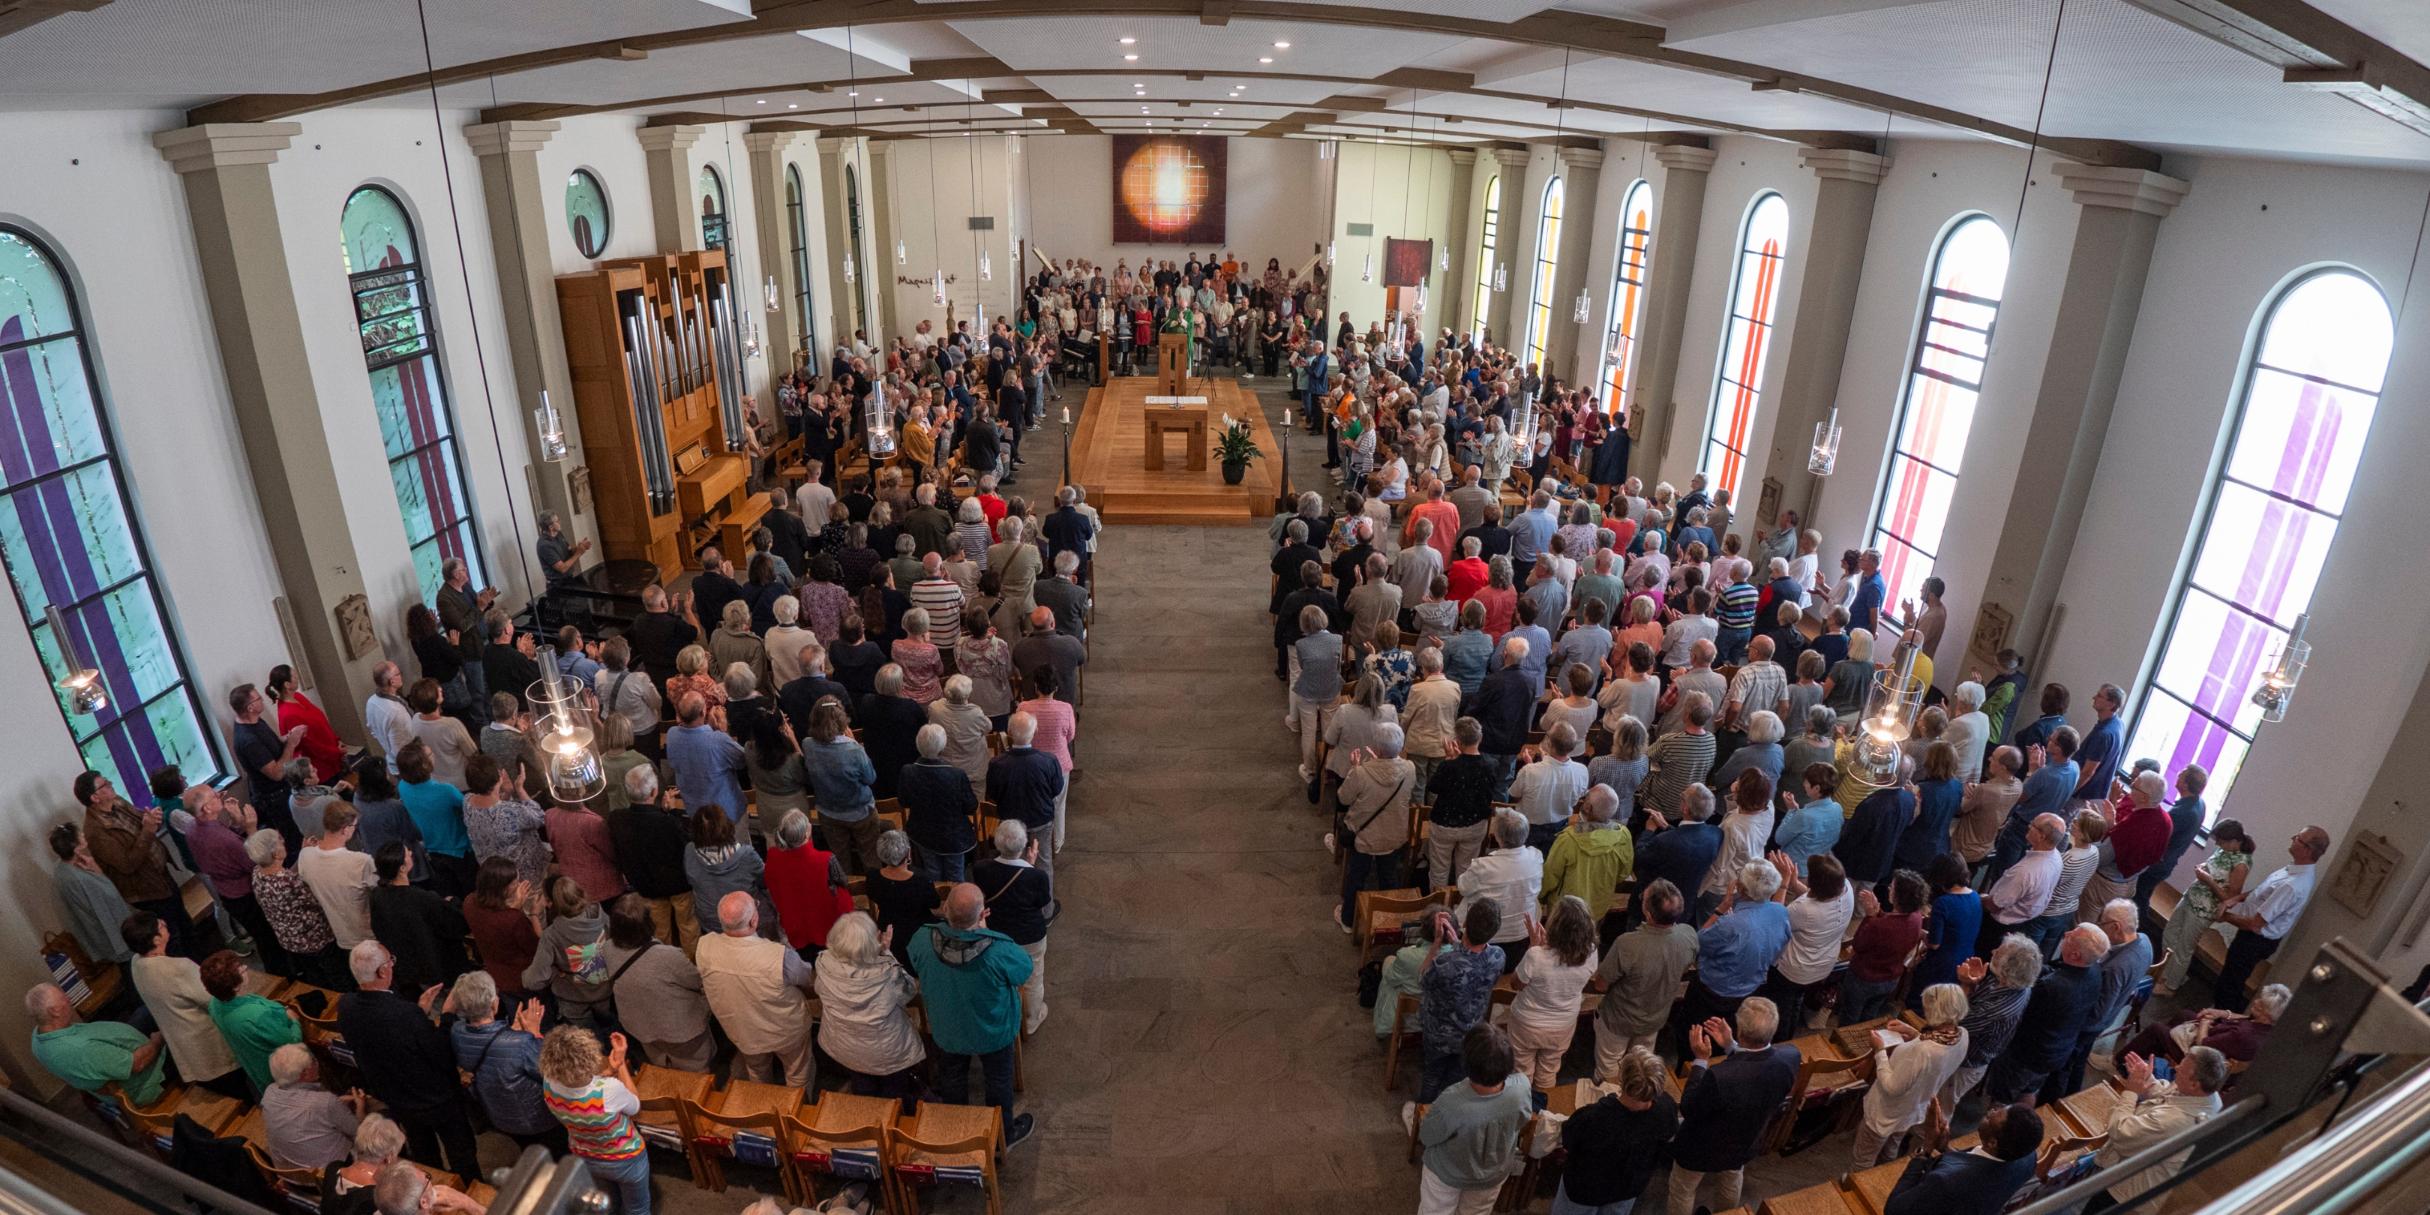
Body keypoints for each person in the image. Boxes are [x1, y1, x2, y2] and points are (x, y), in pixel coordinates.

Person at [336, 942, 480, 1179]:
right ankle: (470, 1187)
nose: (393, 965)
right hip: (436, 1097)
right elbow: (441, 1052)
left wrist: (419, 1014)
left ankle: (429, 1185)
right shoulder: (404, 1014)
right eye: (390, 961)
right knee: (461, 1152)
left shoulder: (347, 1006)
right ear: (383, 971)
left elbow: (387, 1040)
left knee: (424, 1153)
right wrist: (447, 1015)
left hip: (396, 1098)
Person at [908, 883, 1037, 1148]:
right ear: (982, 914)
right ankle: (1003, 1136)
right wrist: (982, 930)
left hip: (948, 1027)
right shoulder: (998, 948)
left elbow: (914, 961)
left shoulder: (923, 939)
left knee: (952, 1079)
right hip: (993, 1030)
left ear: (945, 909)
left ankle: (958, 1132)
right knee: (998, 1081)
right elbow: (1024, 970)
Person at [1667, 997, 1800, 1215]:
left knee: (1683, 1189)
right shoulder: (1790, 1057)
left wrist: (1700, 1060)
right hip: (1744, 1141)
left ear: (1740, 1030)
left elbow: (1689, 1108)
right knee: (1731, 1180)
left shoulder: (1720, 1076)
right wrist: (1731, 1046)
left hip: (1701, 1146)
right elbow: (1756, 1066)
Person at [123, 911, 248, 1099]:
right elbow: (213, 997)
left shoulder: (136, 963)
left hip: (185, 1049)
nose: (164, 922)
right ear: (156, 939)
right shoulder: (178, 968)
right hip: (209, 1047)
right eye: (161, 925)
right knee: (241, 1093)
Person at [695, 891, 815, 1086]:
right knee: (798, 1072)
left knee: (757, 1071)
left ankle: (761, 1101)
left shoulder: (704, 946)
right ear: (753, 921)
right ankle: (797, 1103)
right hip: (786, 1030)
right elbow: (806, 978)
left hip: (743, 1031)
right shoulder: (778, 955)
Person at [2088, 1046, 2230, 1211]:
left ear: (2194, 1084)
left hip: (2128, 1191)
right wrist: (2148, 1079)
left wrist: (2131, 1092)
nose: (2176, 1068)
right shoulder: (2209, 1096)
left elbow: (2121, 1133)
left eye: (2182, 1070)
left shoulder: (2174, 1121)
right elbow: (2168, 1096)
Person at [1414, 1024, 1533, 1215]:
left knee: (1435, 1210)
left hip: (1448, 1173)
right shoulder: (1522, 1087)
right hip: (1493, 1173)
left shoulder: (1452, 1100)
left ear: (1466, 1062)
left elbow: (1427, 1135)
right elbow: (1523, 1120)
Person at [1986, 923, 2108, 1106]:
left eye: (2071, 936)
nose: (2066, 933)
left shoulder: (2052, 987)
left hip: (2027, 1054)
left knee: (2002, 1096)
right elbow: (2054, 970)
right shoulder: (2094, 971)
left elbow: (2021, 1011)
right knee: (2029, 1090)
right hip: (2056, 1052)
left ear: (2075, 955)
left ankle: (1995, 1120)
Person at [1853, 983, 1971, 1167]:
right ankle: (1885, 1171)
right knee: (1890, 1149)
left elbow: (1892, 1087)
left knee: (1864, 1157)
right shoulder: (1962, 1035)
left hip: (1887, 1111)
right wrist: (1913, 1033)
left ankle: (1856, 1181)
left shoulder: (1923, 1052)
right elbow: (1932, 1056)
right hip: (1913, 1108)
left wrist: (1879, 1051)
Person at [538, 1025, 653, 1215]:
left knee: (605, 1204)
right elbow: (634, 1106)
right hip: (625, 1158)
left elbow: (578, 1086)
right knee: (637, 1209)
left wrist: (609, 1071)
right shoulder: (609, 1090)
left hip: (585, 1155)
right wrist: (621, 1064)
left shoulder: (549, 1083)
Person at [2211, 825, 2327, 1012]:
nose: (2292, 838)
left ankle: (2221, 1019)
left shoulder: (2293, 885)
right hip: (2253, 936)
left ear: (2308, 850)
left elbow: (2256, 924)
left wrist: (2223, 916)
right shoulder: (2295, 869)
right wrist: (2236, 898)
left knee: (2229, 985)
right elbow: (2263, 892)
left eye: (2298, 838)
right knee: (2230, 978)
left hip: (2255, 940)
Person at [813, 911, 926, 1099]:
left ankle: (868, 1111)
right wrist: (886, 953)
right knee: (894, 1092)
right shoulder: (887, 972)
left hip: (845, 1045)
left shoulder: (823, 964)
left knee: (862, 1086)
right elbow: (909, 990)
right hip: (886, 1050)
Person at [1552, 1046, 1677, 1215]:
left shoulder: (1594, 1117)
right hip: (1628, 1188)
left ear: (1622, 1078)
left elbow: (1569, 1141)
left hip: (1585, 1190)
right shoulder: (1666, 1109)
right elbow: (1668, 1136)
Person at [76, 772, 190, 958]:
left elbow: (140, 820)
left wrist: (152, 818)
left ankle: (200, 963)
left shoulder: (118, 802)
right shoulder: (95, 831)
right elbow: (127, 864)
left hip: (161, 876)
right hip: (147, 890)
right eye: (105, 784)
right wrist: (148, 830)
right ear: (95, 797)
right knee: (170, 936)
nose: (111, 783)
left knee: (184, 922)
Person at [597, 894, 714, 1071]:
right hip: (681, 1029)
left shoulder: (607, 949)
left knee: (661, 1066)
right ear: (648, 923)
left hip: (640, 1026)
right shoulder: (668, 955)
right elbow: (695, 981)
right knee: (696, 1070)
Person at [445, 973, 559, 1150]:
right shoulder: (521, 1043)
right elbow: (551, 1072)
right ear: (494, 1004)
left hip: (499, 1115)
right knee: (555, 1152)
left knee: (528, 1150)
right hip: (536, 1118)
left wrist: (512, 1032)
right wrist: (534, 1033)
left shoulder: (456, 1032)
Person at [1414, 899, 1507, 1107]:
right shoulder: (1498, 956)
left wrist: (1437, 942)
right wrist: (1457, 943)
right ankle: (1448, 1109)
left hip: (1438, 1033)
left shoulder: (1445, 963)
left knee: (1432, 1074)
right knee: (1456, 1078)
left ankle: (1423, 1111)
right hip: (1471, 1033)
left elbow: (1422, 979)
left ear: (1465, 923)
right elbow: (1471, 961)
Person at [1505, 896, 1600, 1094]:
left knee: (1521, 1071)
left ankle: (1523, 1107)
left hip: (1528, 1023)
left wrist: (1533, 947)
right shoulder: (1591, 952)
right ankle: (1543, 1108)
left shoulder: (1536, 956)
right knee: (1549, 1071)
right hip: (1563, 1024)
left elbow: (1516, 984)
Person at [1881, 1100, 2043, 1215]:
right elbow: (1978, 1166)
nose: (1991, 1111)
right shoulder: (2027, 1158)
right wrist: (1945, 1148)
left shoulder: (1945, 1182)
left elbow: (1894, 1209)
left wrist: (1926, 1148)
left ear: (1993, 1142)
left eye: (1991, 1117)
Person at [1333, 723, 1418, 932]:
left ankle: (1348, 919)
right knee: (1389, 876)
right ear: (1401, 746)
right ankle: (1390, 922)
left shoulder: (1361, 773)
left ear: (1376, 748)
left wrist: (1355, 768)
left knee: (1357, 877)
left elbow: (1343, 798)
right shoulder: (1410, 769)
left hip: (1365, 837)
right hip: (1394, 834)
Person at [25, 981, 165, 1102]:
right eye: (64, 998)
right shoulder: (81, 1048)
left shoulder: (38, 1036)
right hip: (148, 1079)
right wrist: (157, 1041)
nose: (68, 999)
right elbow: (137, 1064)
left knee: (144, 1012)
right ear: (55, 1011)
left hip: (118, 1047)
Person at [2157, 818, 2252, 995]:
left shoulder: (2241, 864)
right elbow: (2214, 867)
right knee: (2170, 933)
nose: (2218, 844)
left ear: (2234, 841)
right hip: (2191, 897)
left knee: (2184, 947)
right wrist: (2203, 868)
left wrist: (2208, 880)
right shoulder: (2223, 850)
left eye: (2221, 841)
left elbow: (2230, 898)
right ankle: (2164, 972)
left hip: (2204, 910)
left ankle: (2171, 986)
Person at [607, 768, 696, 951]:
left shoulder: (617, 819)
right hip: (679, 885)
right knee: (688, 926)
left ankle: (665, 961)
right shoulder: (667, 822)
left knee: (659, 933)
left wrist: (663, 812)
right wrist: (672, 812)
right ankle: (690, 961)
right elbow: (686, 843)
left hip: (647, 888)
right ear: (654, 792)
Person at [367, 844, 470, 997]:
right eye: (407, 853)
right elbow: (457, 925)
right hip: (438, 969)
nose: (411, 852)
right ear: (402, 868)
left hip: (406, 970)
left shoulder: (377, 896)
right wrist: (453, 903)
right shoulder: (422, 899)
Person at [200, 949, 301, 1095]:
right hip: (283, 1070)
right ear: (235, 986)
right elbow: (291, 1041)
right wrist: (294, 1020)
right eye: (241, 969)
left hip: (256, 1067)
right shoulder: (256, 1016)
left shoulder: (214, 1004)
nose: (245, 967)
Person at [802, 698, 883, 874]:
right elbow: (870, 778)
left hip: (829, 812)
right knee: (870, 856)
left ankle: (845, 888)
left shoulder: (808, 744)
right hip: (860, 811)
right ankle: (872, 885)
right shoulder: (853, 749)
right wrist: (855, 743)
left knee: (840, 860)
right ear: (842, 720)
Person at [1454, 811, 1541, 971]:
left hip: (1484, 940)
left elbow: (1463, 888)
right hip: (1521, 937)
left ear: (1498, 836)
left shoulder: (1483, 866)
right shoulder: (1536, 857)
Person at [49, 821, 136, 981]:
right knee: (131, 971)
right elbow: (104, 904)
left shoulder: (62, 870)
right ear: (76, 847)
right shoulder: (76, 878)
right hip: (114, 934)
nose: (83, 835)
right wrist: (97, 873)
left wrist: (95, 869)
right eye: (80, 835)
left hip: (110, 931)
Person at [522, 875, 612, 1027]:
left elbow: (533, 980)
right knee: (610, 1028)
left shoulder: (552, 935)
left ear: (549, 903)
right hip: (605, 991)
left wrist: (553, 972)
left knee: (584, 1036)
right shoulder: (603, 918)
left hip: (573, 998)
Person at [260, 1043, 365, 1170]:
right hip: (333, 1170)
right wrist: (360, 1107)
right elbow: (358, 1132)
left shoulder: (269, 1093)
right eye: (313, 1061)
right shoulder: (325, 1102)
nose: (317, 1063)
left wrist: (335, 1106)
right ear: (304, 1074)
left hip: (292, 1172)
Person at [1541, 786, 1633, 925]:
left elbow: (1550, 876)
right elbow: (1623, 873)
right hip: (1598, 907)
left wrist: (1541, 896)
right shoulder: (1623, 835)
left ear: (1588, 808)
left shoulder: (1568, 839)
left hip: (1565, 910)